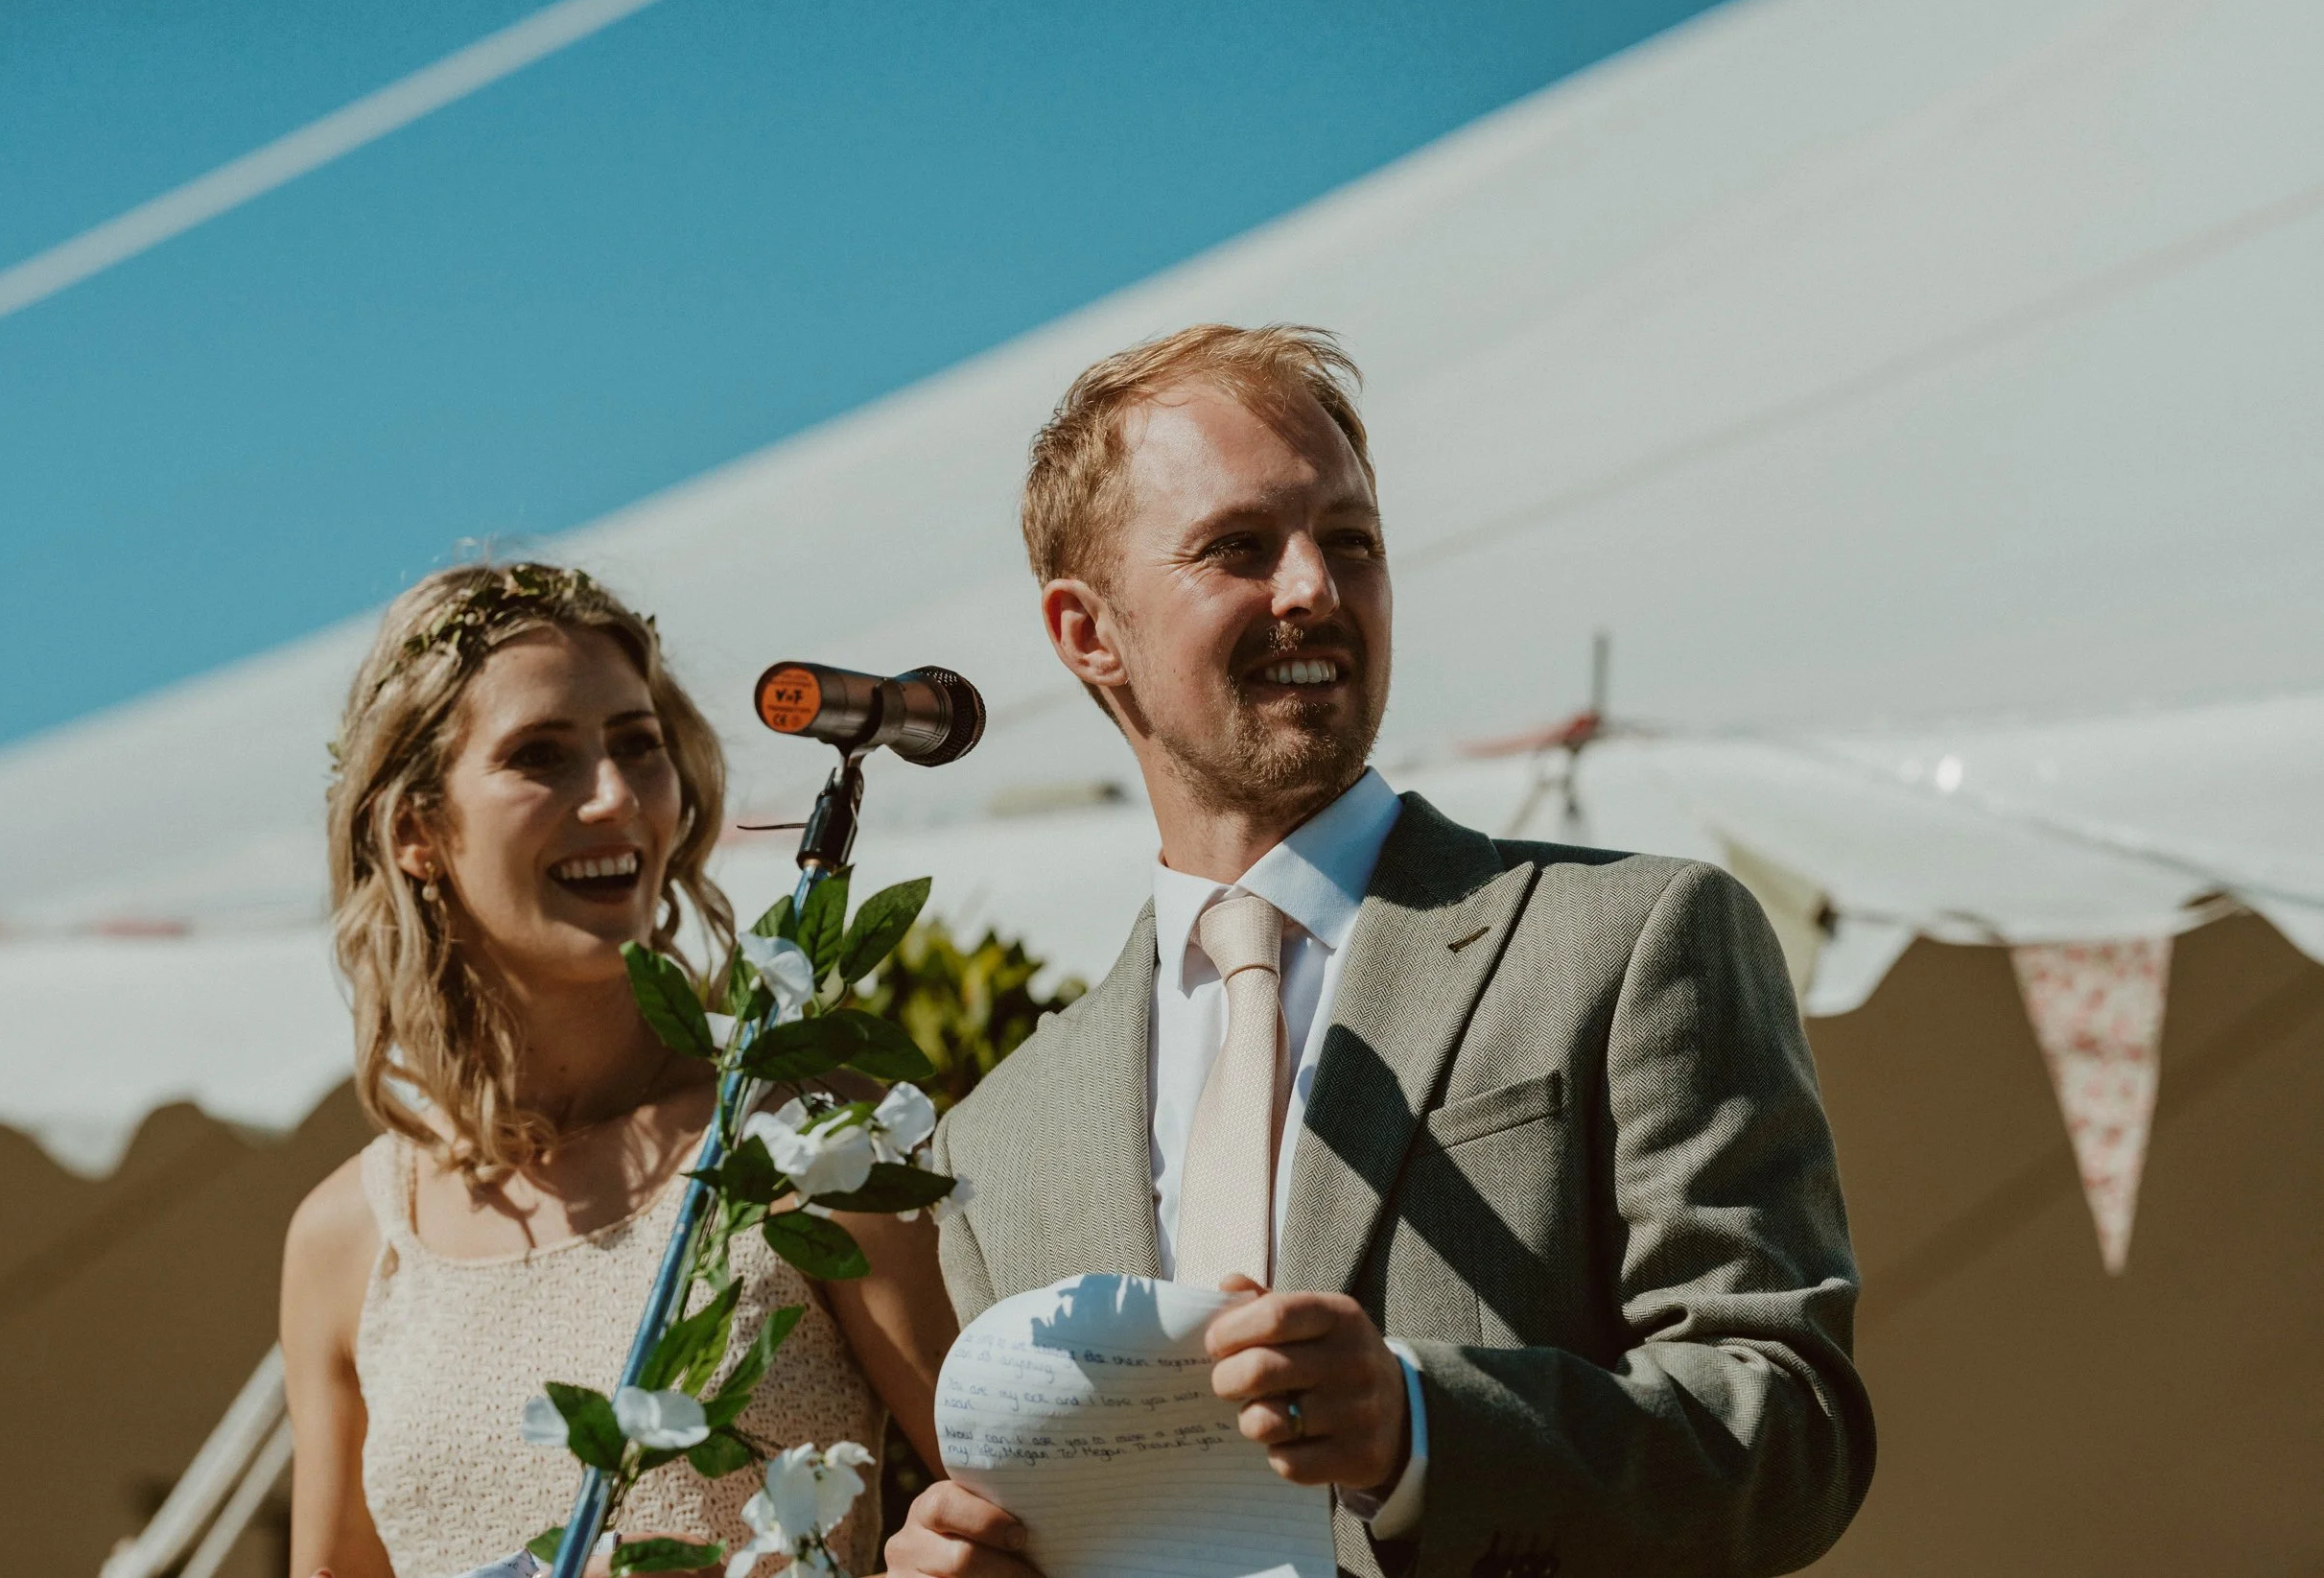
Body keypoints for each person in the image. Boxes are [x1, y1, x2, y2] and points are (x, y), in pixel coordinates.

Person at [887, 327, 1874, 1578]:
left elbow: (1793, 1430)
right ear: (1088, 632)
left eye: (1351, 540)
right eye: (1240, 546)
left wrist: (1421, 1421)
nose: (1315, 586)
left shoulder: (1633, 940)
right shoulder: (1000, 1134)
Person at [282, 563, 956, 1578]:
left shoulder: (808, 1134)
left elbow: (1029, 1521)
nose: (613, 797)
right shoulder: (345, 1239)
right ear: (418, 830)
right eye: (541, 756)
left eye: (639, 748)